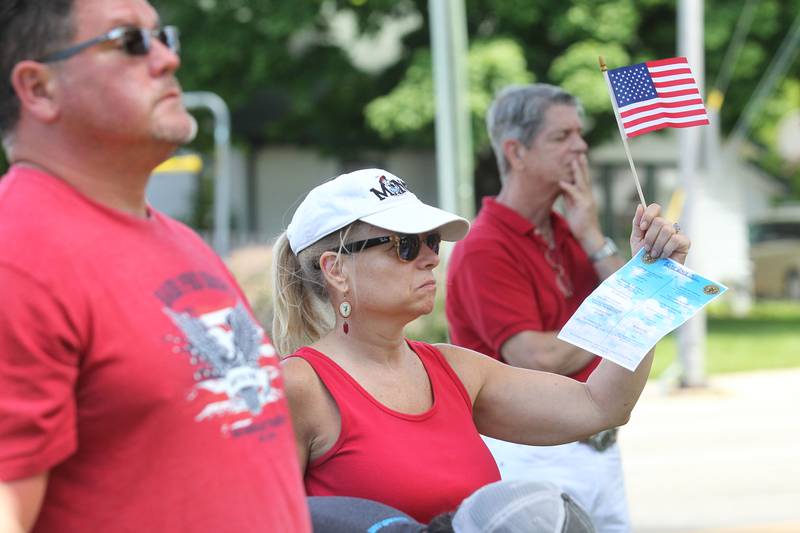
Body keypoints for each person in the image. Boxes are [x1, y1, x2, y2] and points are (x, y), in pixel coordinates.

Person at [0, 1, 309, 531]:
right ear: (39, 89)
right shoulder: (18, 259)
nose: (167, 58)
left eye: (162, 36)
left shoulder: (181, 242)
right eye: (129, 41)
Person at [272, 168, 688, 523]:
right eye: (406, 245)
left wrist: (650, 282)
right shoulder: (297, 386)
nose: (432, 258)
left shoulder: (455, 369)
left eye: (432, 241)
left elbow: (602, 405)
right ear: (336, 269)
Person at [445, 83, 646, 532]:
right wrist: (627, 316)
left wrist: (593, 236)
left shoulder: (569, 227)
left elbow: (639, 311)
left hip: (598, 444)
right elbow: (537, 357)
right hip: (530, 451)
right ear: (515, 152)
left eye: (579, 133)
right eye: (561, 136)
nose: (581, 146)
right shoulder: (484, 246)